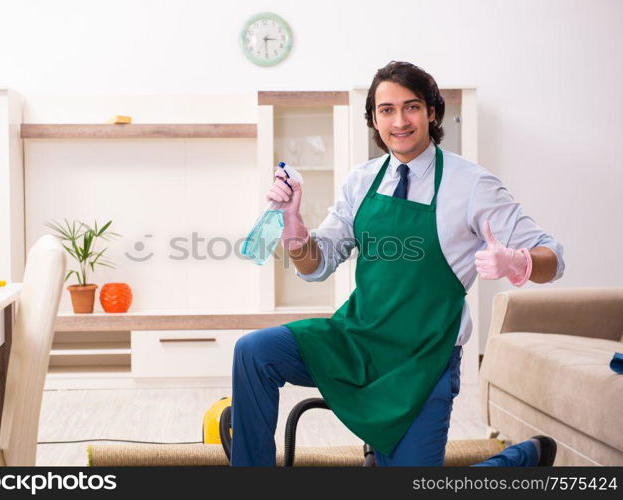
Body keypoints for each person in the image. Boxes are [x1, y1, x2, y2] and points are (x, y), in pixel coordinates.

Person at [230, 61, 564, 467]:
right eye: (386, 110)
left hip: (422, 362)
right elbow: (317, 265)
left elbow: (553, 257)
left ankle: (518, 459)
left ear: (432, 113)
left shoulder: (472, 184)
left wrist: (518, 259)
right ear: (373, 118)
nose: (399, 120)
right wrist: (294, 225)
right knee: (254, 350)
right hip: (356, 341)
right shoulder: (361, 180)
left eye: (411, 107)